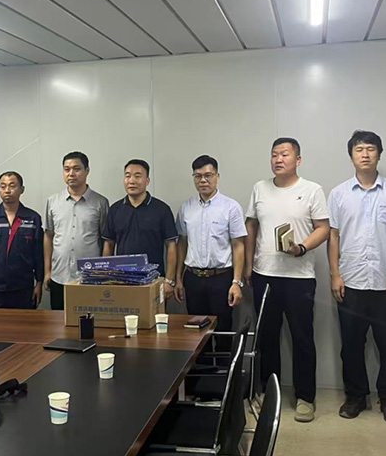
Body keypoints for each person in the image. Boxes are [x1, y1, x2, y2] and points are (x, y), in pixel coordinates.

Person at [327, 131, 386, 424]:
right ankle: (356, 397)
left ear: (379, 154)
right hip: (350, 282)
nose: (365, 154)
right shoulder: (339, 193)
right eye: (359, 149)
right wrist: (335, 274)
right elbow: (334, 236)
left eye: (370, 149)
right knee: (351, 346)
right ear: (351, 155)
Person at [244, 137, 329, 423]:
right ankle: (271, 394)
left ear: (298, 160)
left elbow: (323, 228)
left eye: (285, 154)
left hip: (299, 277)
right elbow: (251, 226)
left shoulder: (312, 190)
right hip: (264, 274)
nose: (278, 159)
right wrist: (248, 265)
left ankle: (305, 397)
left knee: (302, 338)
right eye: (274, 154)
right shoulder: (260, 188)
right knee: (267, 338)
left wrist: (302, 247)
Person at [175, 155, 246, 347]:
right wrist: (178, 278)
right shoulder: (186, 208)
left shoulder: (231, 207)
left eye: (208, 175)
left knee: (223, 332)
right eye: (198, 176)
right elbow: (182, 244)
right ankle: (200, 366)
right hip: (193, 279)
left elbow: (239, 246)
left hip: (221, 279)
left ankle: (224, 367)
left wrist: (236, 282)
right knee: (197, 336)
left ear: (217, 177)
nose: (203, 180)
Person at [44, 152, 109, 310]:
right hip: (59, 275)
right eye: (67, 169)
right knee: (58, 320)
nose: (71, 173)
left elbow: (106, 240)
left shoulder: (100, 202)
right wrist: (47, 271)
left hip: (90, 277)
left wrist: (103, 273)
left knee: (88, 321)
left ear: (87, 171)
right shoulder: (52, 202)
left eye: (76, 169)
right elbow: (48, 236)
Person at [103, 159, 178, 290]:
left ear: (147, 180)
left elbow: (171, 245)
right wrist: (106, 277)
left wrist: (169, 280)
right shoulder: (115, 209)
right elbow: (109, 244)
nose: (132, 181)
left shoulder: (162, 209)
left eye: (137, 176)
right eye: (128, 176)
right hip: (122, 280)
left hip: (154, 280)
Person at [0, 172, 44, 309]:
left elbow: (38, 254)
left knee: (24, 322)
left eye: (12, 186)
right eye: (3, 186)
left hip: (24, 287)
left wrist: (39, 283)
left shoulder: (32, 218)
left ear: (21, 189)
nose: (7, 190)